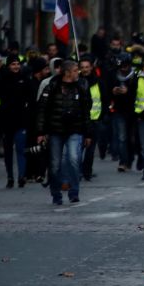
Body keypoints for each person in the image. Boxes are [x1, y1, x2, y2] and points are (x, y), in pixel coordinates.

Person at [35, 59, 90, 205]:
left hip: (75, 129)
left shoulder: (81, 86)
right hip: (56, 130)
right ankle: (56, 194)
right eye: (74, 70)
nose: (77, 73)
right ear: (67, 73)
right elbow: (42, 110)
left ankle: (74, 192)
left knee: (73, 158)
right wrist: (40, 132)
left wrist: (88, 133)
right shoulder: (52, 86)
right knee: (54, 164)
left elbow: (86, 111)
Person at [0, 53, 34, 187]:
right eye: (13, 64)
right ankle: (10, 176)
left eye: (18, 64)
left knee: (21, 149)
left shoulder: (25, 78)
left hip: (21, 120)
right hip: (6, 121)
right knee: (8, 150)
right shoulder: (1, 79)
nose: (16, 67)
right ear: (8, 65)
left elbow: (31, 97)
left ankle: (22, 176)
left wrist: (28, 111)